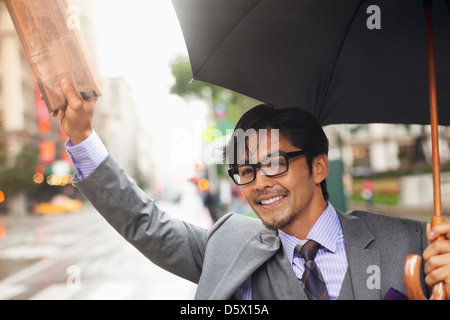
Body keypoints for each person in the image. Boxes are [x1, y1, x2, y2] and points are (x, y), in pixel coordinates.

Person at [53, 78, 450, 300]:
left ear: (318, 167)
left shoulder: (410, 241)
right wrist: (83, 136)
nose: (260, 183)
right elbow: (145, 223)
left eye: (275, 163)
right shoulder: (228, 245)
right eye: (244, 170)